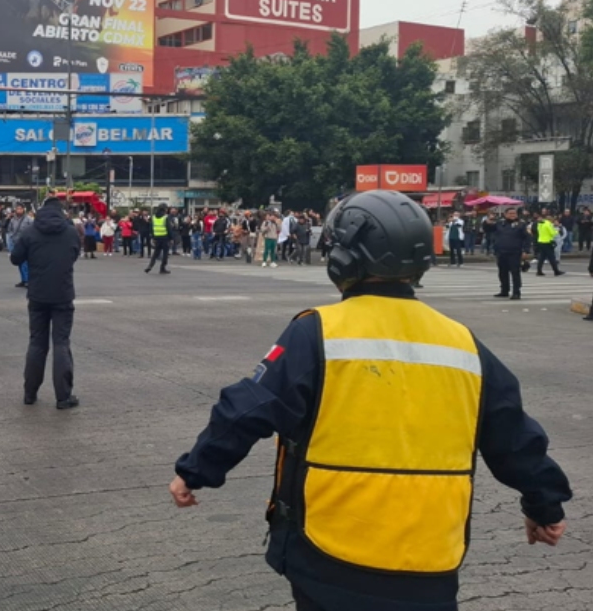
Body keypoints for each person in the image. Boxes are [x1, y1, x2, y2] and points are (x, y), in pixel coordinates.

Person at [169, 190, 572, 611]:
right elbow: (514, 437)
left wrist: (195, 471)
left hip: (331, 549)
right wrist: (545, 506)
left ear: (344, 260)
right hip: (431, 555)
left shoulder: (317, 331)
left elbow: (246, 409)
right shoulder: (464, 343)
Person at [10, 197, 81, 409]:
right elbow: (74, 254)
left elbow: (15, 258)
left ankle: (30, 393)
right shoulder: (70, 232)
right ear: (61, 211)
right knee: (61, 343)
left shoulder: (30, 231)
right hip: (62, 294)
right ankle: (63, 397)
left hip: (38, 294)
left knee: (37, 343)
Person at [493, 207, 531, 299]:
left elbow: (527, 238)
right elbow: (488, 229)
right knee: (502, 272)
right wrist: (488, 221)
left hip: (515, 252)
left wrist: (526, 250)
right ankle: (504, 290)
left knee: (515, 273)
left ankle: (516, 292)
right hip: (501, 252)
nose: (512, 215)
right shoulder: (500, 223)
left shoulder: (521, 224)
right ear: (505, 214)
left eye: (514, 213)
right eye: (510, 213)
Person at [5, 205, 33, 289]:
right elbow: (9, 230)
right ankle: (23, 280)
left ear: (23, 210)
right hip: (16, 243)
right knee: (19, 262)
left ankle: (27, 280)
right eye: (17, 209)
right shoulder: (13, 220)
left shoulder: (28, 219)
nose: (19, 210)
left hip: (26, 243)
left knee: (25, 263)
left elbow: (33, 229)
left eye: (20, 209)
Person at [145, 203, 172, 274]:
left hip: (157, 237)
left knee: (156, 253)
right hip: (165, 237)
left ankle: (150, 265)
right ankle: (162, 268)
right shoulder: (165, 217)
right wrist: (171, 238)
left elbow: (151, 228)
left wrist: (153, 237)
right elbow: (169, 228)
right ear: (164, 209)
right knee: (165, 254)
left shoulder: (154, 217)